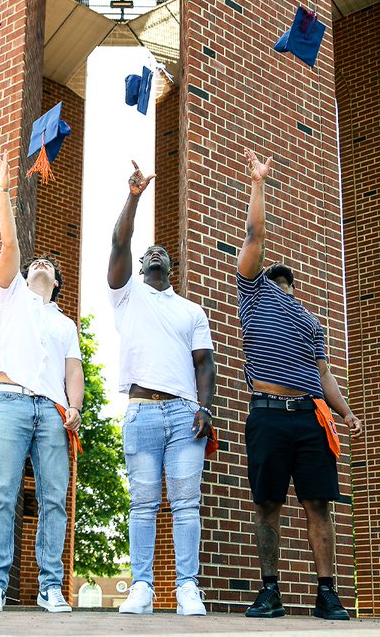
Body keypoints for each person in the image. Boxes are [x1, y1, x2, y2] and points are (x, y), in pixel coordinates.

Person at [234, 150, 363, 620]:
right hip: (267, 413)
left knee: (318, 505)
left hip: (311, 417)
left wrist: (345, 411)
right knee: (267, 504)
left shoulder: (311, 320)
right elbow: (254, 236)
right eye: (273, 277)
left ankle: (326, 592)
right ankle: (270, 591)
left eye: (287, 281)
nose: (280, 282)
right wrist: (258, 182)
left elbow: (324, 372)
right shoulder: (252, 294)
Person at [107, 160, 217, 616]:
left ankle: (188, 586)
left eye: (160, 252)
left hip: (183, 413)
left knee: (187, 502)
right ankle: (142, 587)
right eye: (146, 252)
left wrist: (205, 409)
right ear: (140, 264)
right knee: (144, 503)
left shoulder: (191, 310)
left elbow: (205, 363)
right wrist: (133, 195)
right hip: (140, 413)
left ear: (172, 265)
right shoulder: (126, 294)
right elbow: (119, 241)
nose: (152, 254)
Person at [0, 148, 84, 613]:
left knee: (54, 499)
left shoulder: (66, 324)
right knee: (3, 493)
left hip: (53, 410)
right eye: (35, 261)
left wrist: (76, 407)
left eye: (48, 265)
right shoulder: (13, 295)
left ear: (57, 281)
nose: (39, 263)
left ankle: (51, 587)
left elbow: (73, 371)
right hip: (11, 402)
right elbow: (9, 245)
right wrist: (5, 190)